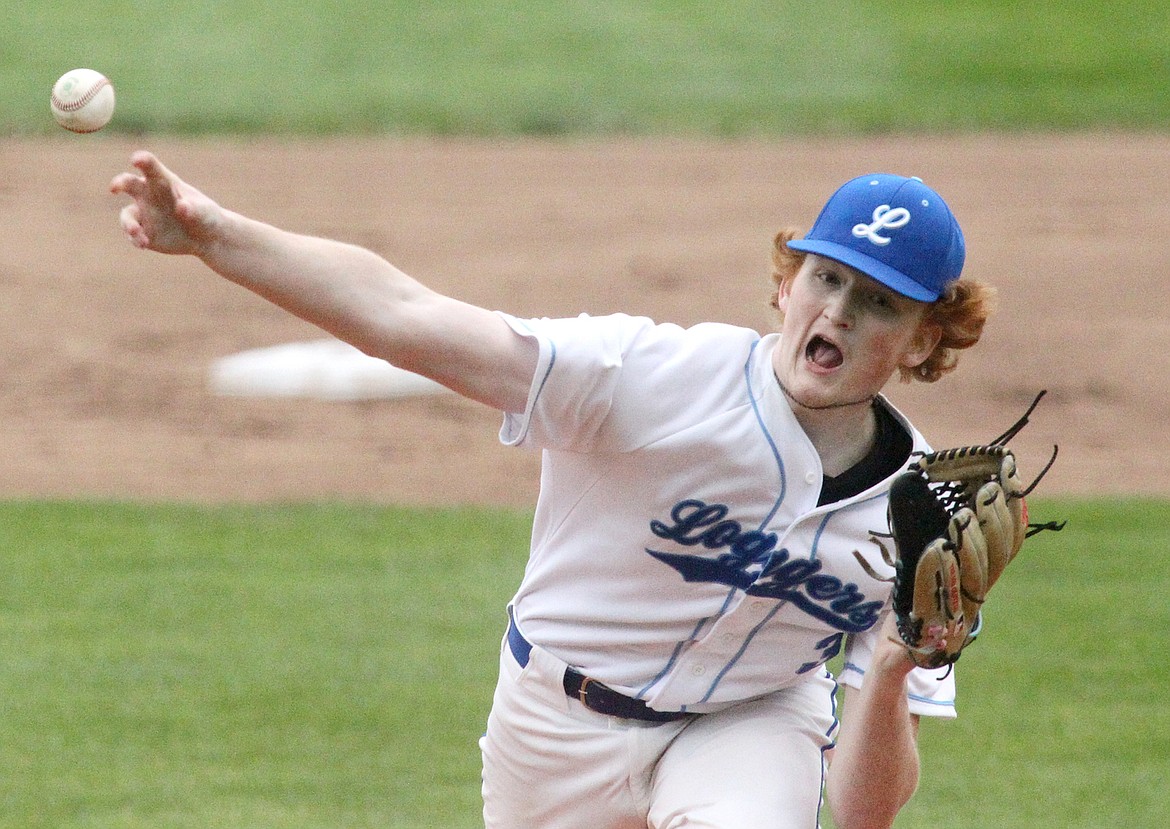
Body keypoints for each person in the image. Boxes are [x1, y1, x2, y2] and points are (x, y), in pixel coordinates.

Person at [111, 154, 994, 829]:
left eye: (878, 301)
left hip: (751, 723)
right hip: (555, 722)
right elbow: (406, 318)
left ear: (926, 341)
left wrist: (890, 666)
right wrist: (216, 236)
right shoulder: (652, 377)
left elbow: (863, 810)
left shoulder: (929, 523)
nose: (837, 312)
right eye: (827, 278)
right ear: (784, 284)